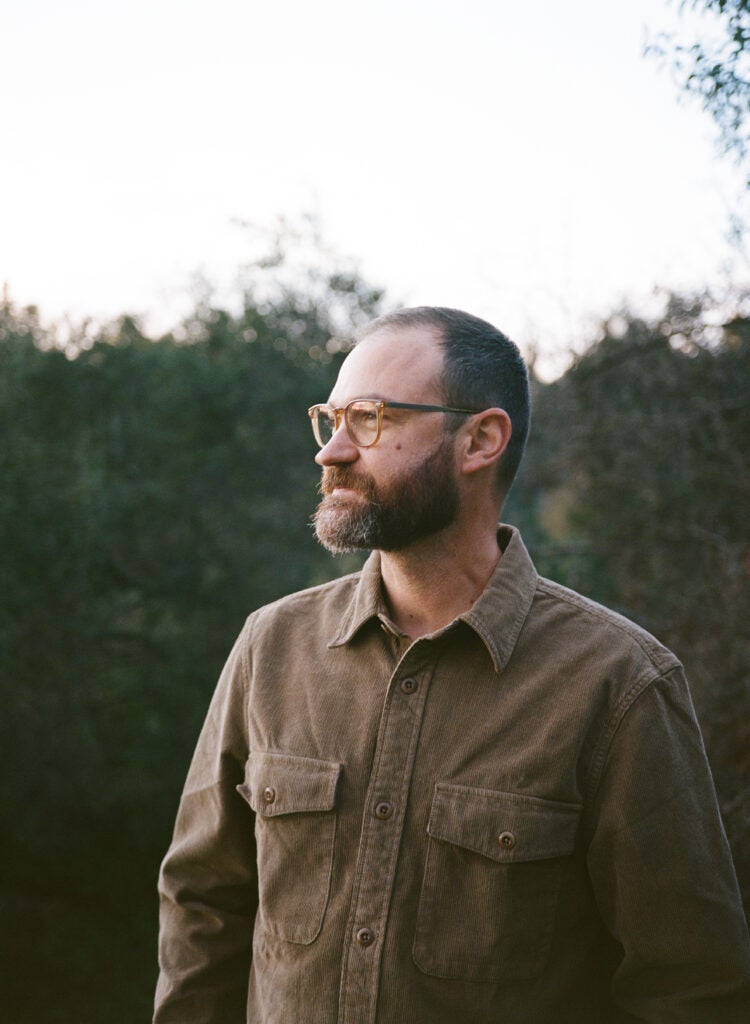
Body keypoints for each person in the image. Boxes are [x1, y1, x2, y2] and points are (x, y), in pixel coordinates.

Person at [153, 306, 750, 1024]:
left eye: (369, 419)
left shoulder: (619, 684)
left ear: (480, 440)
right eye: (330, 418)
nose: (331, 451)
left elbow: (689, 989)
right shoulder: (270, 647)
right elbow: (202, 906)